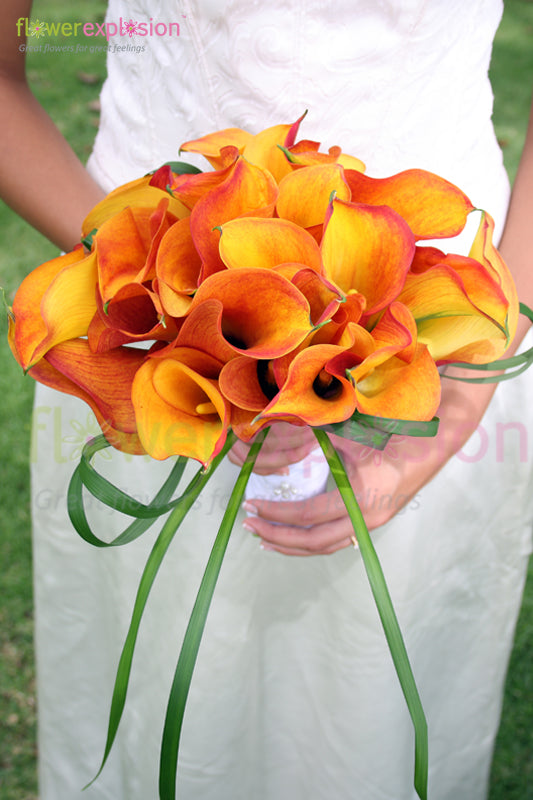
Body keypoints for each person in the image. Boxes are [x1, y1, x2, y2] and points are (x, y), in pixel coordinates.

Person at [2, 0, 533, 798]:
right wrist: (151, 286)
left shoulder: (449, 376)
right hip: (150, 324)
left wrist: (455, 402)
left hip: (437, 326)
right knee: (166, 680)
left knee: (369, 702)